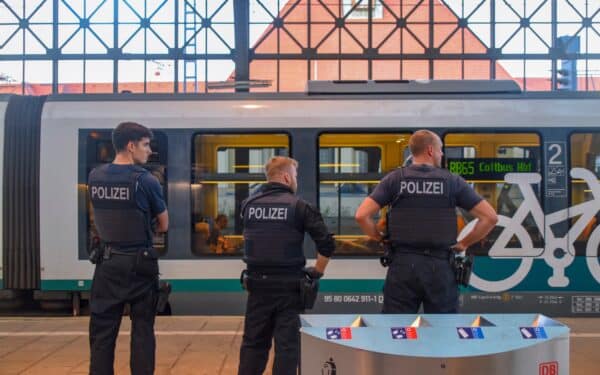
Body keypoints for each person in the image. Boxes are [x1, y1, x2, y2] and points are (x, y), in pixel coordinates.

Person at [355, 130, 497, 313]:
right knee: (442, 330)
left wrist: (379, 238)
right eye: (440, 150)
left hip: (403, 265)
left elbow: (361, 215)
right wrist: (463, 244)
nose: (442, 154)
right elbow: (490, 217)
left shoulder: (394, 179)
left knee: (396, 329)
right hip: (440, 267)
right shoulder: (452, 181)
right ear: (430, 150)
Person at [238, 156, 335, 375]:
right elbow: (327, 244)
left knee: (253, 345)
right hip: (289, 289)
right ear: (286, 176)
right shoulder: (300, 207)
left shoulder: (248, 205)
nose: (296, 180)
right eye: (296, 176)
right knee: (287, 348)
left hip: (257, 287)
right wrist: (318, 271)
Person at [88, 122, 168, 375]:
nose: (149, 151)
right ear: (131, 146)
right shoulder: (146, 180)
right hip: (139, 263)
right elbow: (164, 225)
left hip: (107, 262)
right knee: (142, 329)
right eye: (145, 145)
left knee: (102, 331)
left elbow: (97, 217)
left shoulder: (95, 176)